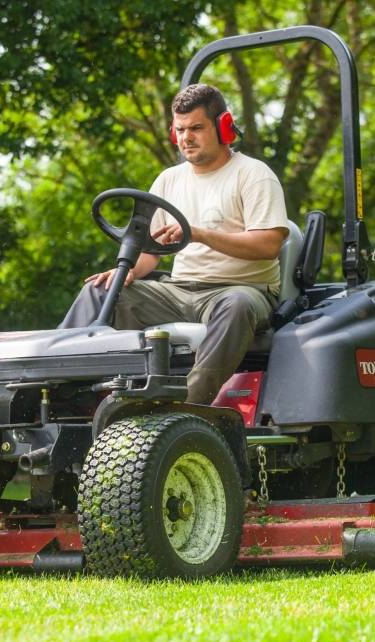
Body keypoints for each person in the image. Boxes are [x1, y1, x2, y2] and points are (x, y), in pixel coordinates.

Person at [60, 83, 288, 404]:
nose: (186, 138)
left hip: (238, 291)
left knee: (236, 305)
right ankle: (62, 391)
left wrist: (199, 234)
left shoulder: (252, 175)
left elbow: (268, 245)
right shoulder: (169, 180)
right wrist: (127, 273)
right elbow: (150, 253)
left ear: (223, 127)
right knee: (101, 291)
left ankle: (188, 406)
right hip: (178, 291)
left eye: (196, 128)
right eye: (180, 130)